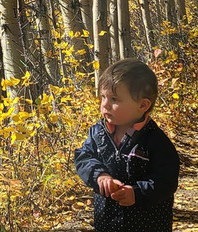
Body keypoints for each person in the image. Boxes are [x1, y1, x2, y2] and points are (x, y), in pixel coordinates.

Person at [74, 58, 180, 232]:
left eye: (114, 99)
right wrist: (100, 176)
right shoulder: (98, 133)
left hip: (148, 223)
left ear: (143, 105)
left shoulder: (154, 140)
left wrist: (137, 193)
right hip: (107, 221)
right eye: (103, 97)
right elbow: (84, 157)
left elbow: (165, 181)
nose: (105, 104)